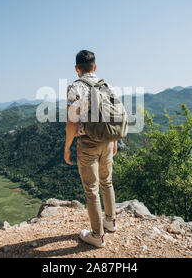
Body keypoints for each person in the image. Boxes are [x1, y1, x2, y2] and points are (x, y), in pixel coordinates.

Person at [64, 50, 118, 248]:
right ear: (94, 67)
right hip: (107, 140)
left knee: (91, 190)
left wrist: (67, 147)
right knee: (107, 181)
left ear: (77, 69)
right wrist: (114, 141)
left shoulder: (75, 87)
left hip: (87, 143)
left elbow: (72, 121)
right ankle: (111, 222)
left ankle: (97, 235)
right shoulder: (108, 86)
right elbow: (114, 117)